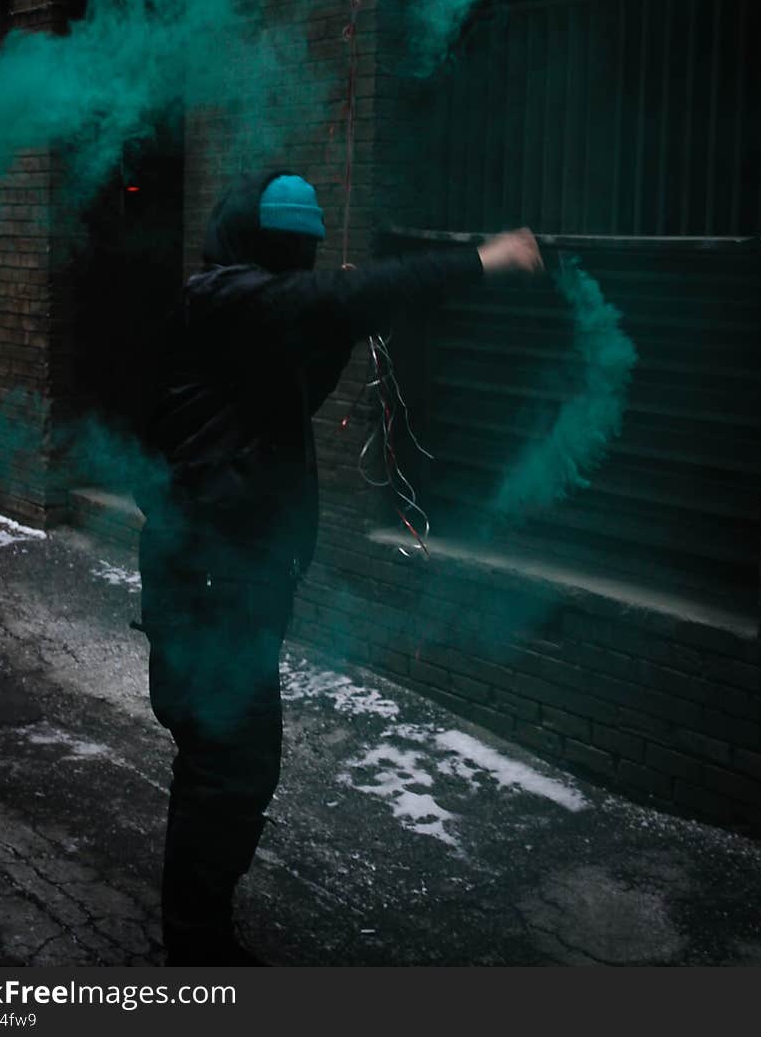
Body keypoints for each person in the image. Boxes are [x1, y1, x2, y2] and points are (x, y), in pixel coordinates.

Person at [135, 168, 543, 966]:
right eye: (287, 251)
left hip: (224, 578)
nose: (298, 266)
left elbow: (311, 347)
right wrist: (486, 261)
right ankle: (197, 948)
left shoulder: (254, 321)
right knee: (231, 769)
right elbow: (329, 302)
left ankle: (196, 932)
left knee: (218, 763)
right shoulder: (221, 297)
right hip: (211, 581)